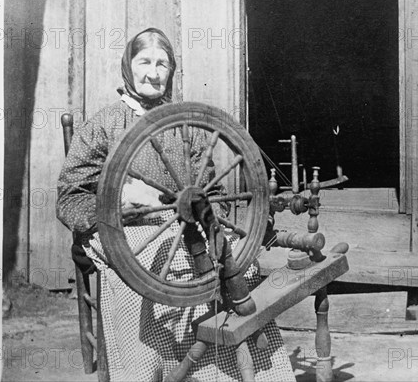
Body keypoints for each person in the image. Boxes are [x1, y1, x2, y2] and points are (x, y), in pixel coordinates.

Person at [57, 28, 296, 381]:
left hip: (186, 227)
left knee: (234, 267)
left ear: (171, 71)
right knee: (139, 275)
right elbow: (68, 195)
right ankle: (150, 373)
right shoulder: (105, 124)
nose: (153, 73)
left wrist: (212, 219)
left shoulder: (189, 123)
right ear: (128, 65)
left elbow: (213, 193)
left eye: (162, 64)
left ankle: (233, 373)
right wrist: (122, 198)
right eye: (145, 62)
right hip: (124, 230)